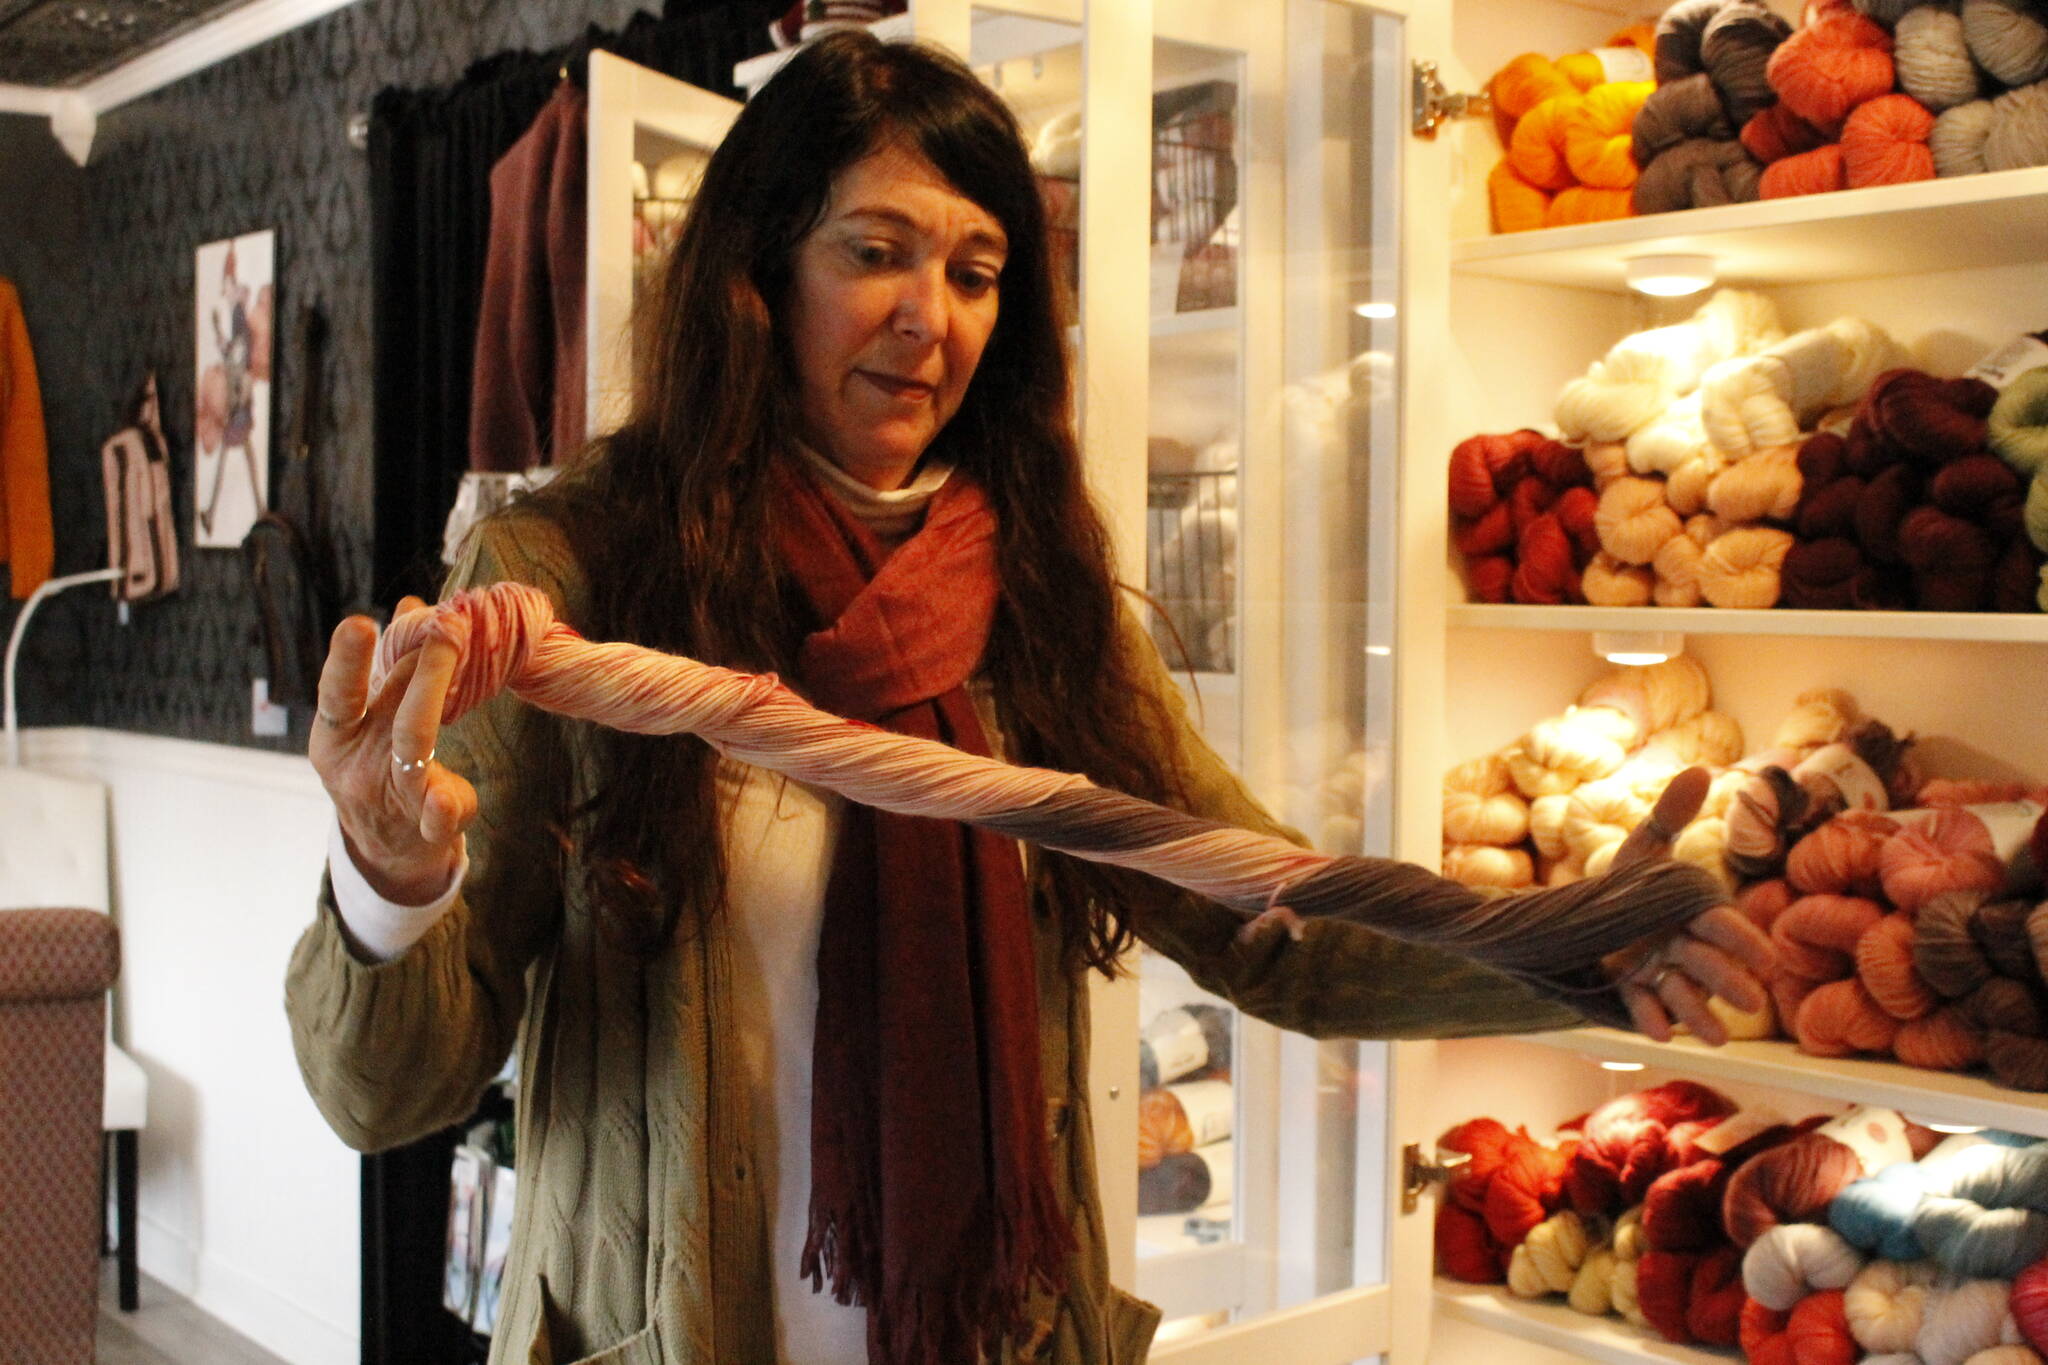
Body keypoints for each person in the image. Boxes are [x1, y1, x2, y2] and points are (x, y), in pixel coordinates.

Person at [286, 31, 1772, 1365]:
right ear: (759, 270)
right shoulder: (577, 575)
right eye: (876, 252)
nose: (928, 319)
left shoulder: (1034, 598)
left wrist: (1553, 945)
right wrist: (388, 880)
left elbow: (1273, 926)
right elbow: (384, 1095)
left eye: (976, 272)